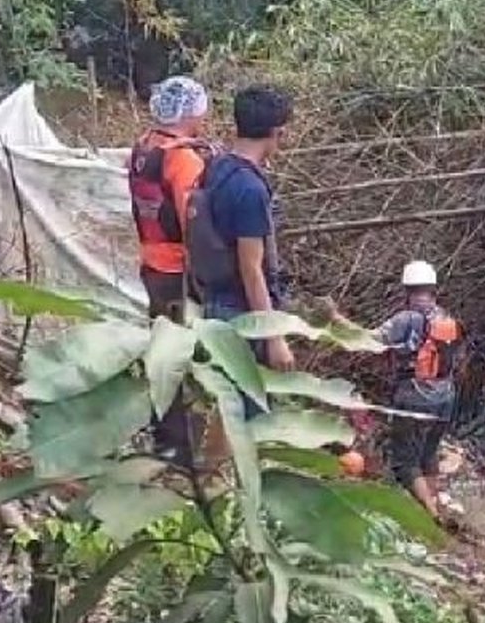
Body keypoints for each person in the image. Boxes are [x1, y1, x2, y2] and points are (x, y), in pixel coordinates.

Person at [324, 260, 466, 520]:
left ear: (407, 289)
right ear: (433, 289)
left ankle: (433, 514)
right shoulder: (447, 319)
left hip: (414, 397)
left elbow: (366, 340)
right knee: (429, 455)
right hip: (446, 396)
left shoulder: (406, 319)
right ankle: (437, 504)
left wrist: (335, 318)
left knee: (405, 463)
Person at [127, 76, 214, 459]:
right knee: (181, 356)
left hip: (150, 259)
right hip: (177, 269)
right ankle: (179, 446)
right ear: (193, 111)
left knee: (160, 348)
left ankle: (162, 430)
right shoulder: (182, 159)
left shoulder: (144, 148)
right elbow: (191, 219)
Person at [194, 85, 295, 371]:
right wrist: (273, 338)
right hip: (241, 316)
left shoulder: (217, 166)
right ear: (278, 133)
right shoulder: (250, 189)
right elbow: (251, 269)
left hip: (214, 304)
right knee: (253, 407)